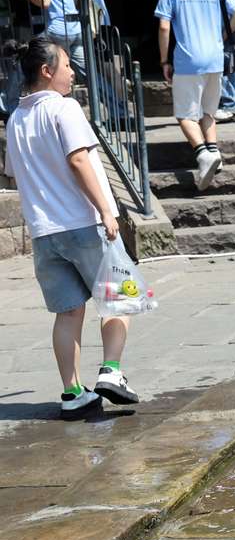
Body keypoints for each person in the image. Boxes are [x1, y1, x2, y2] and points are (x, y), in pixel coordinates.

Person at [3, 37, 137, 418]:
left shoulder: (15, 118)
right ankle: (111, 371)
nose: (72, 71)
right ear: (47, 72)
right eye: (66, 65)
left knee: (68, 312)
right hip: (83, 222)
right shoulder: (64, 108)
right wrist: (106, 211)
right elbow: (79, 160)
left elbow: (14, 174)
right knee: (120, 297)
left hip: (44, 233)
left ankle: (72, 392)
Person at [155, 0, 235, 192]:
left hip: (187, 59)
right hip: (215, 58)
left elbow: (164, 26)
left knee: (184, 115)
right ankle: (214, 151)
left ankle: (203, 153)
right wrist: (221, 37)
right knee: (208, 113)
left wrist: (164, 60)